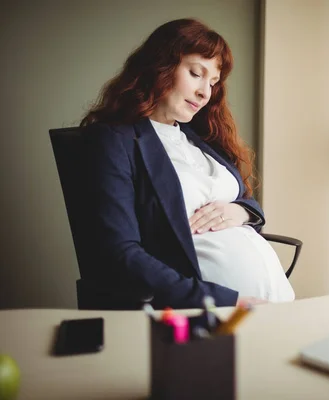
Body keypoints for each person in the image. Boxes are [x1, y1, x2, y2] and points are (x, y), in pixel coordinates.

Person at [80, 18, 295, 308]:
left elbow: (249, 202)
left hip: (278, 304)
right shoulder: (115, 140)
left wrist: (241, 212)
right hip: (214, 311)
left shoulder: (199, 139)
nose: (205, 92)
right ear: (160, 66)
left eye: (213, 82)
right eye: (196, 73)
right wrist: (224, 300)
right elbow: (120, 253)